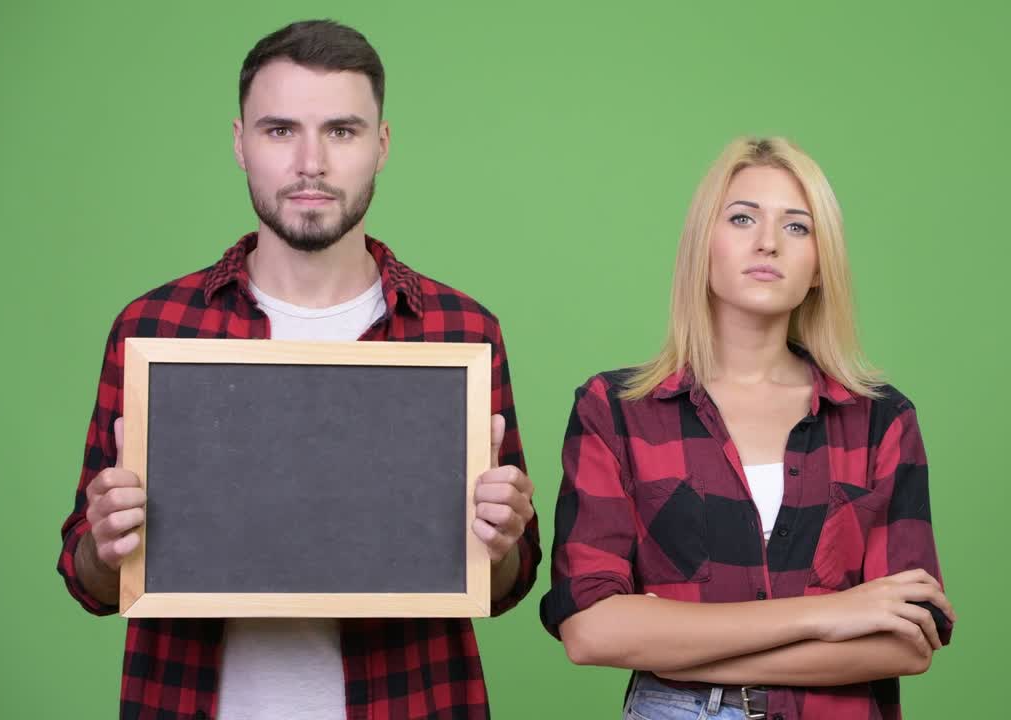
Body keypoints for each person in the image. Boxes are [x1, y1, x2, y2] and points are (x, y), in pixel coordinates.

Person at [56, 20, 540, 720]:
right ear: (239, 143)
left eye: (341, 131)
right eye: (280, 130)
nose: (310, 162)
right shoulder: (154, 329)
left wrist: (502, 539)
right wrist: (105, 543)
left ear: (381, 146)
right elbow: (89, 576)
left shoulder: (459, 332)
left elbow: (506, 581)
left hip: (409, 702)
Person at [540, 137, 954, 719]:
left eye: (797, 227)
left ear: (819, 266)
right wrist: (830, 613)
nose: (767, 243)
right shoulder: (616, 409)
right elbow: (590, 629)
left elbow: (908, 639)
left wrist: (675, 645)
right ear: (701, 248)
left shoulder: (881, 419)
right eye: (741, 218)